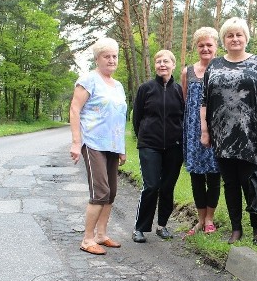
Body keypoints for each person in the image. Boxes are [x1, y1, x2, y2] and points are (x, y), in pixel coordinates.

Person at [201, 17, 257, 245]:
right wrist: (205, 130)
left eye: (239, 35)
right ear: (224, 40)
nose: (235, 39)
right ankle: (236, 228)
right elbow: (205, 100)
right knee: (230, 184)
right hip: (222, 135)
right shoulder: (213, 65)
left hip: (251, 135)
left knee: (251, 182)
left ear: (246, 38)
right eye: (230, 35)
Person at [69, 37, 127, 255]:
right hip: (93, 143)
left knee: (111, 192)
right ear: (97, 59)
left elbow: (119, 118)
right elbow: (75, 109)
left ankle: (102, 235)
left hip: (112, 145)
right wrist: (76, 142)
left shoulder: (118, 85)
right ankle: (87, 238)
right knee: (100, 191)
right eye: (107, 56)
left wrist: (122, 148)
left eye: (114, 56)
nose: (111, 60)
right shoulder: (88, 80)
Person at [132, 50, 185, 243]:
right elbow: (137, 117)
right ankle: (140, 228)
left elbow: (183, 117)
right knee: (152, 185)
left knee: (167, 187)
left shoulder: (179, 90)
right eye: (158, 61)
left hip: (174, 146)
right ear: (155, 66)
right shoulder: (145, 89)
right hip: (149, 145)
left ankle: (162, 225)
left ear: (173, 65)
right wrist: (144, 136)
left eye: (166, 61)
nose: (162, 65)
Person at [182, 27, 221, 237]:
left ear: (216, 46)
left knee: (214, 175)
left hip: (216, 130)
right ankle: (200, 219)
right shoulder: (187, 72)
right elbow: (185, 101)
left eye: (209, 45)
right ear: (196, 47)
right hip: (193, 131)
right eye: (201, 45)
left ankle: (210, 219)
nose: (205, 49)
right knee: (196, 175)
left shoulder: (223, 68)